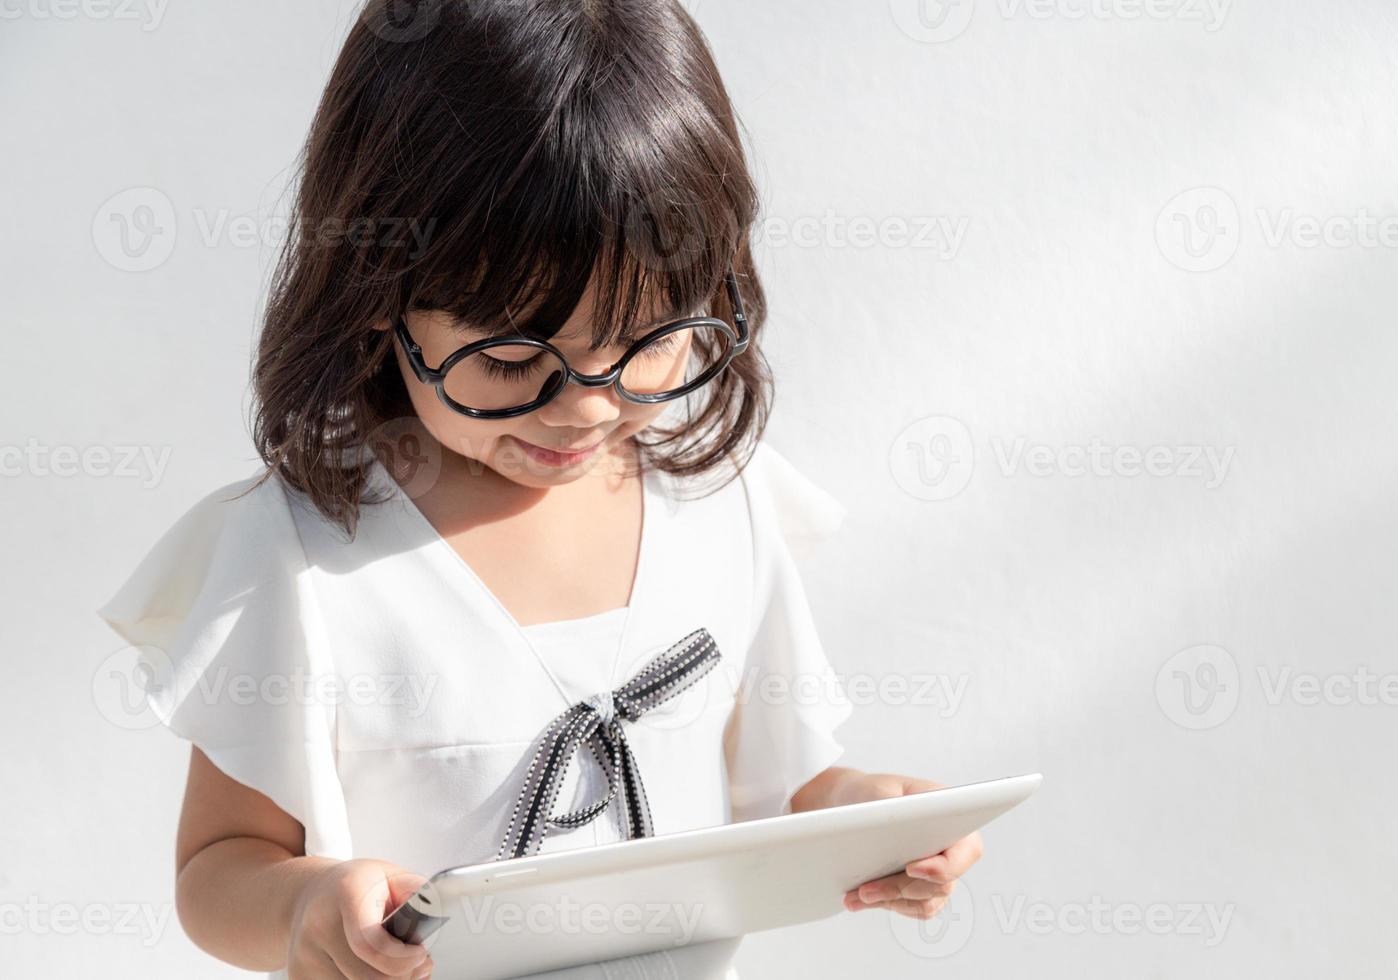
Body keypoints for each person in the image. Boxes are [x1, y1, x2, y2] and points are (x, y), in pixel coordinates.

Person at [96, 1, 983, 976]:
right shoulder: (306, 557)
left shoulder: (722, 505)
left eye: (645, 346)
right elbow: (218, 865)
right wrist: (305, 904)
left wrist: (870, 817)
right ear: (380, 300)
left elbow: (785, 786)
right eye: (515, 358)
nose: (585, 411)